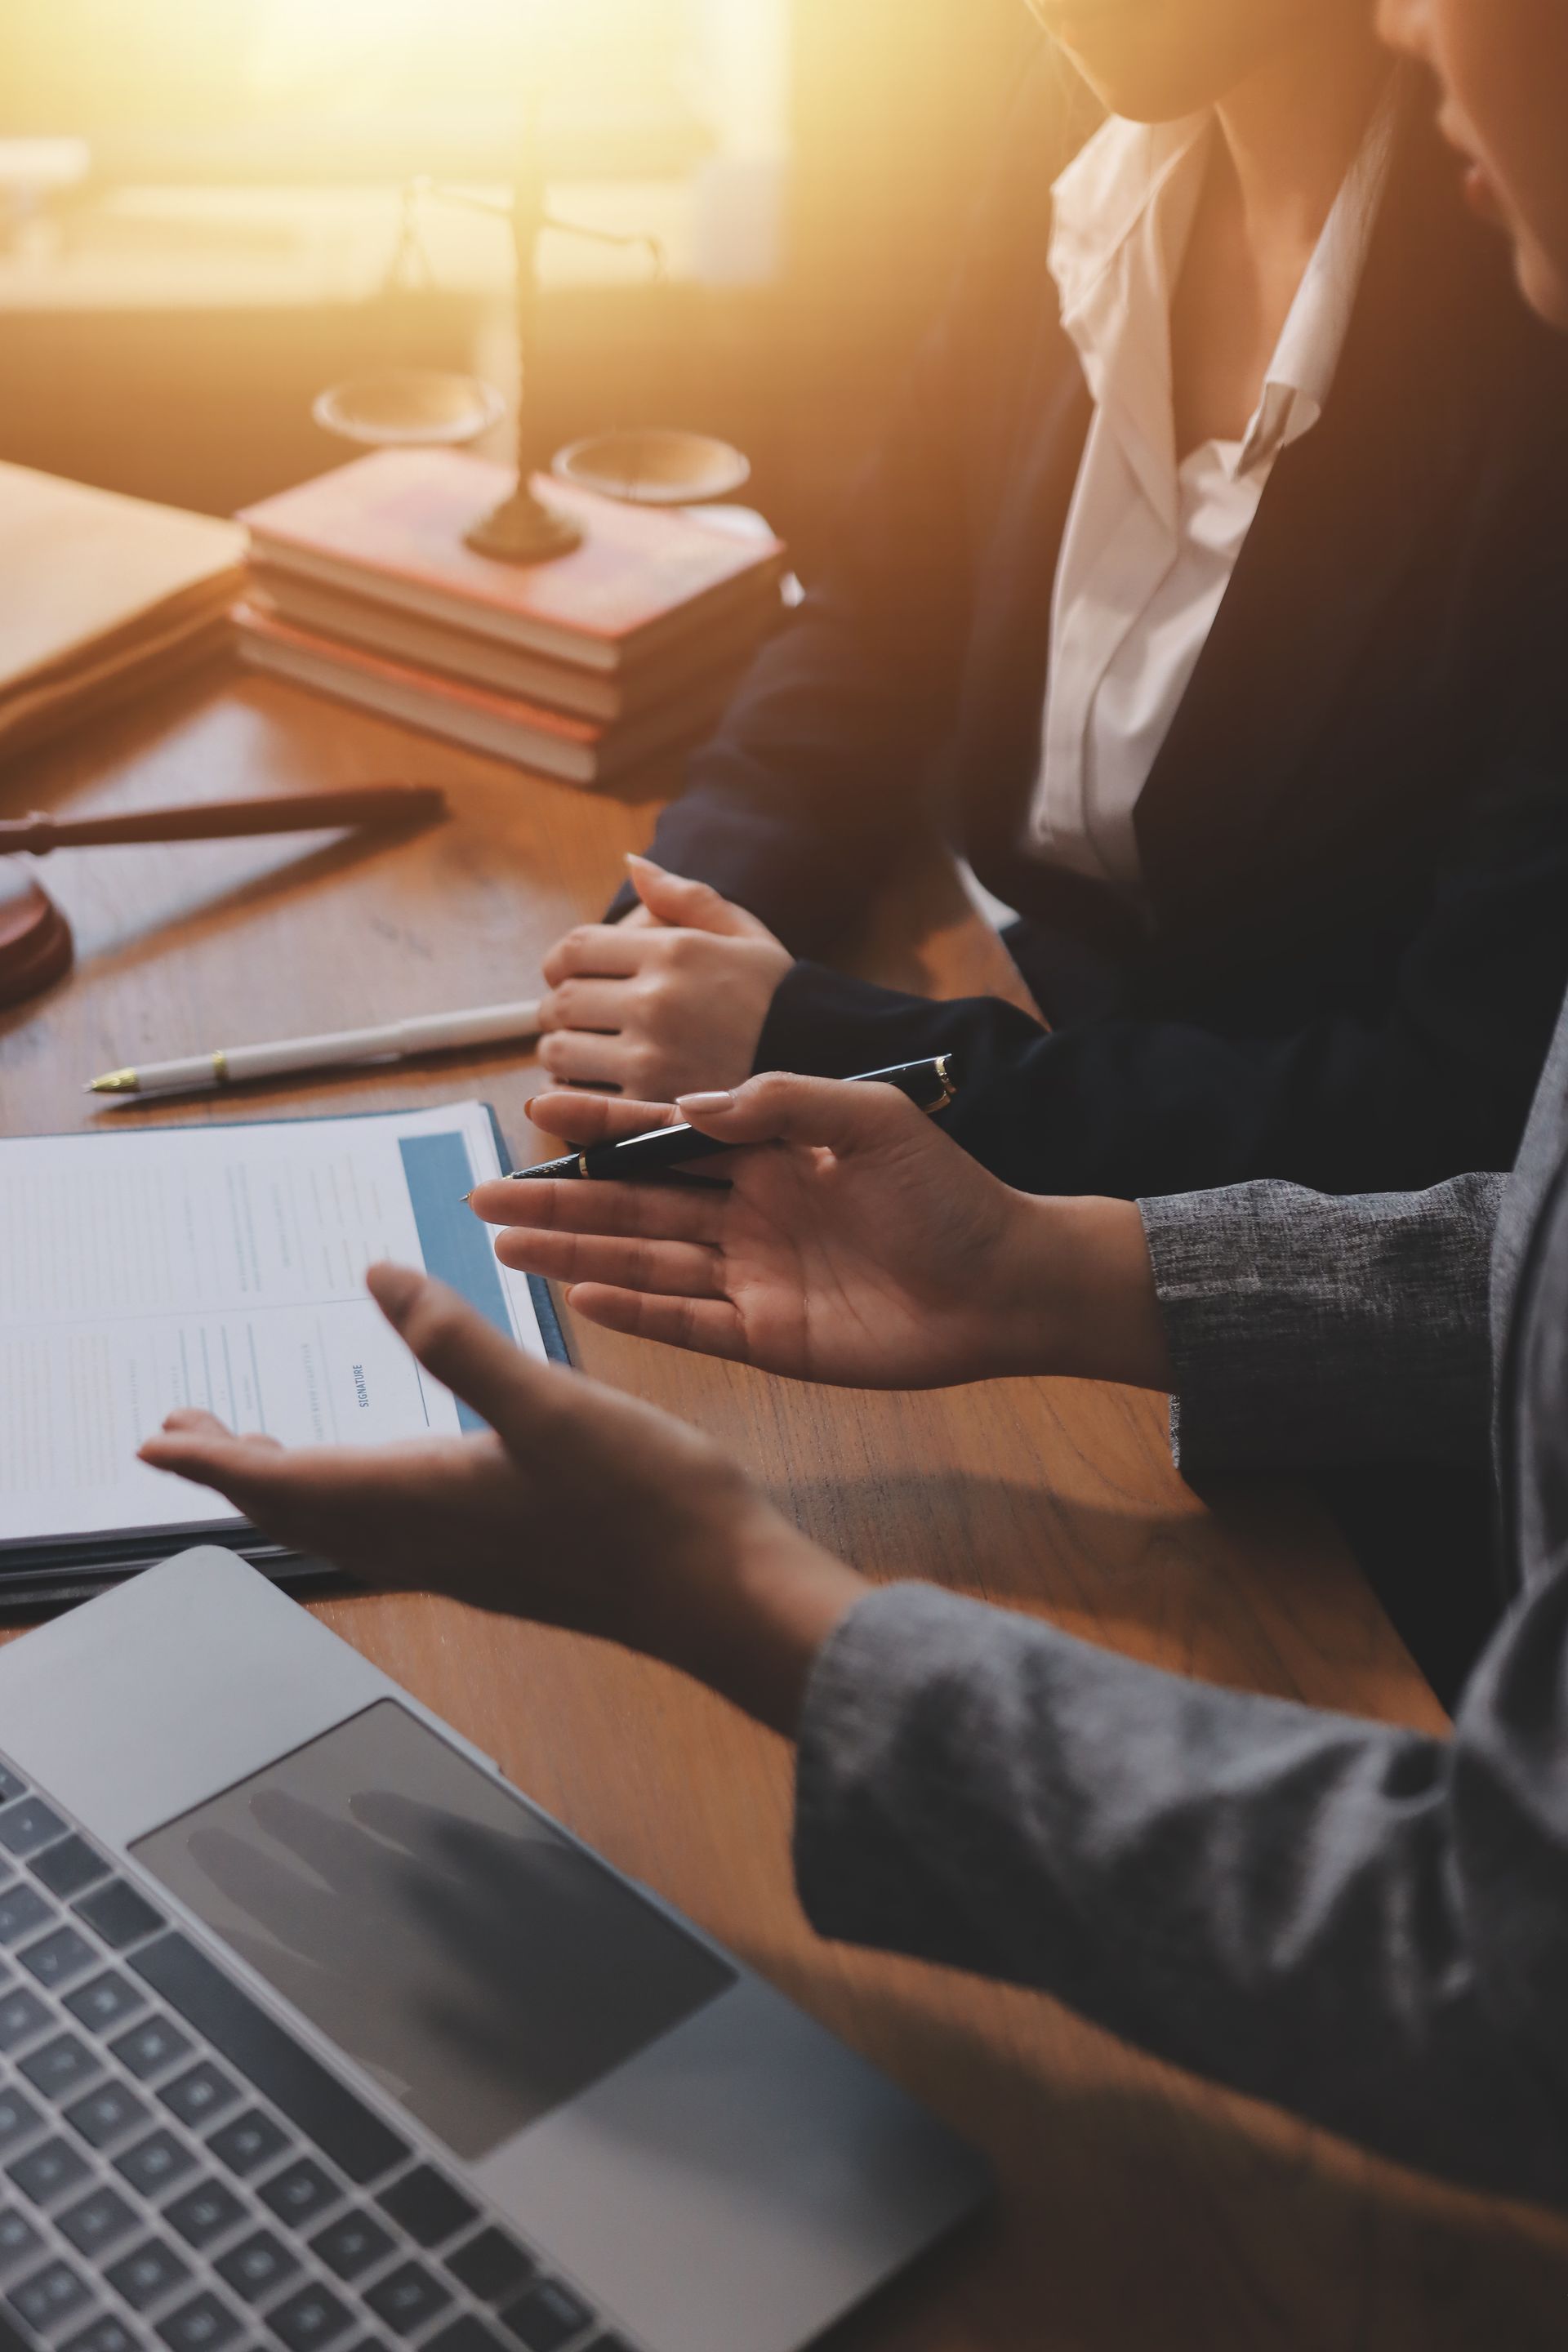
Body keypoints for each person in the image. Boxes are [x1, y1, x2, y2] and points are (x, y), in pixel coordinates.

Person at [140, 0, 1568, 2212]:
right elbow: (882, 592)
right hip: (1055, 1129)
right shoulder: (1097, 120)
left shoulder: (1511, 340)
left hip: (1309, 1435)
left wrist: (752, 1596)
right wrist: (713, 967)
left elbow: (1505, 1973)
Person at [529, 0, 1568, 1206]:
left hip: (1219, 1233)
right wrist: (682, 926)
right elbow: (882, 606)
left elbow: (1454, 1103)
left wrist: (824, 1049)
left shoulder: (1531, 288)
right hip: (1005, 988)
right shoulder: (1093, 117)